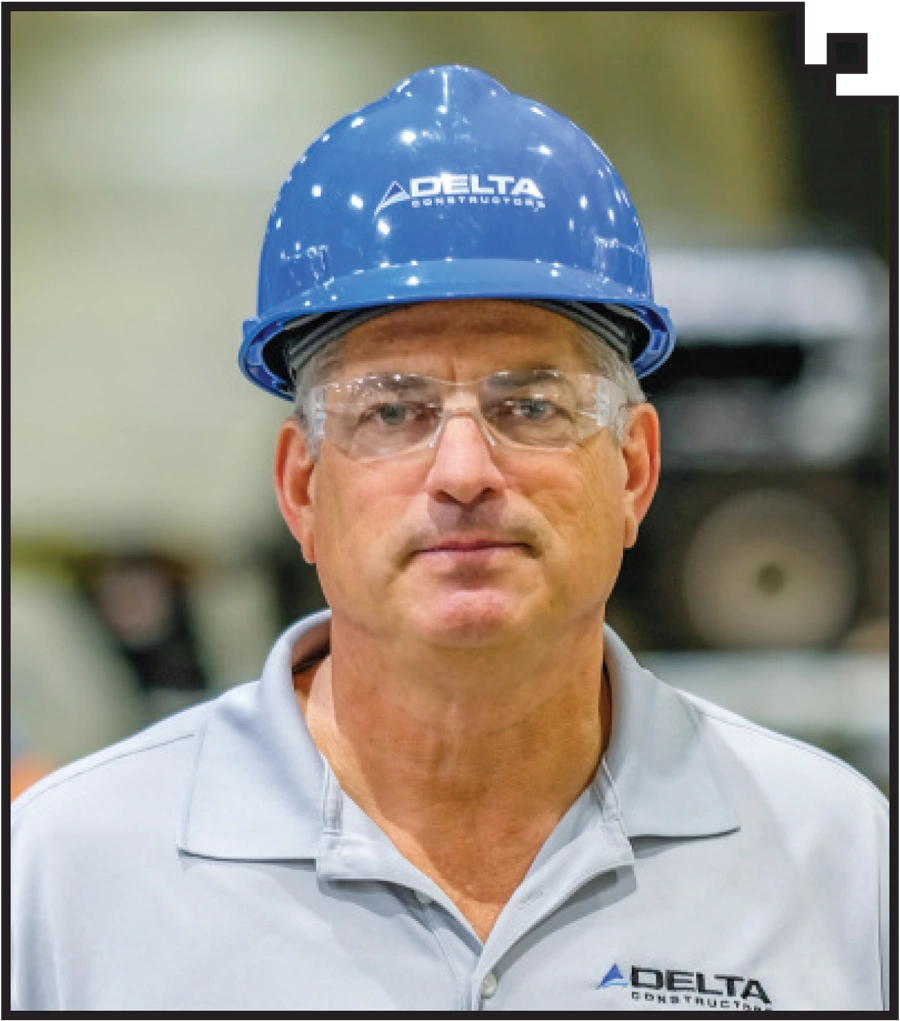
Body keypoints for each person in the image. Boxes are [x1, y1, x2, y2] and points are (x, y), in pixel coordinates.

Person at [11, 65, 887, 1012]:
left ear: (633, 470)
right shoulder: (70, 875)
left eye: (532, 404)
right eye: (392, 412)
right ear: (302, 489)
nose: (464, 470)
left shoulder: (835, 858)